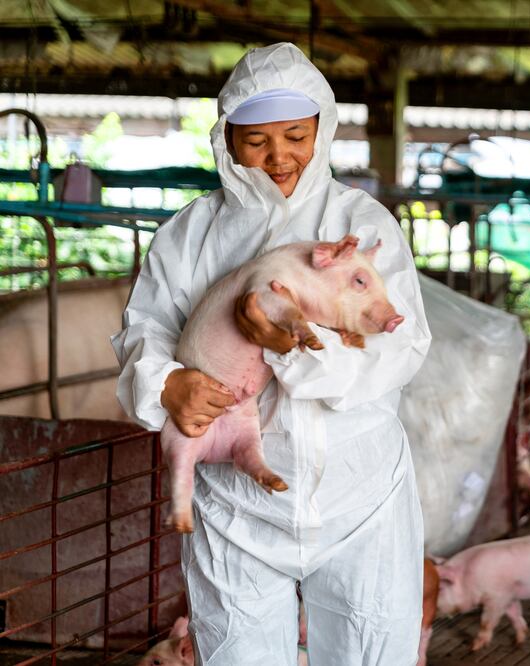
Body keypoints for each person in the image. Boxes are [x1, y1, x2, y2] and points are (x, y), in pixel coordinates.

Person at [111, 43, 431, 665]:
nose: (278, 156)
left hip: (358, 496)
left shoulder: (359, 222)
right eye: (256, 141)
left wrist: (293, 351)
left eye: (295, 137)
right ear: (227, 139)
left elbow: (403, 345)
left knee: (370, 649)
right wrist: (167, 384)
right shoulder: (191, 233)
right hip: (238, 507)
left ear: (322, 130)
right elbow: (144, 330)